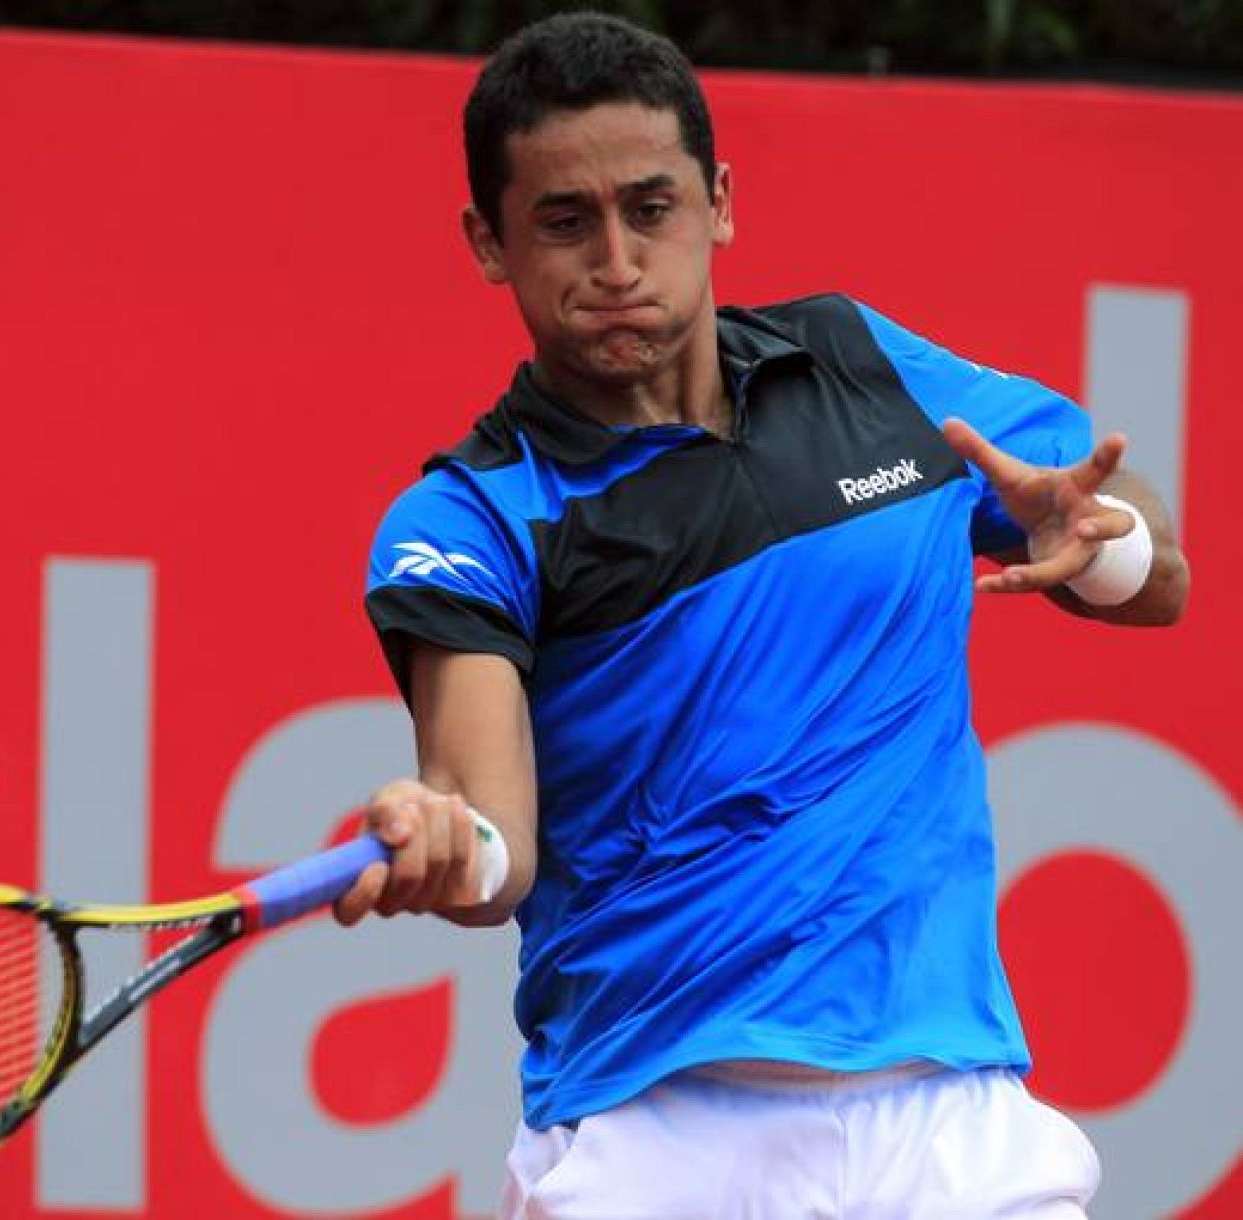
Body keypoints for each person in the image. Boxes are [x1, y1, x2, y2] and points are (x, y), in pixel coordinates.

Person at [336, 13, 1191, 1218]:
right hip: (653, 1140)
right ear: (489, 241)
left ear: (719, 202)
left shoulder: (859, 365)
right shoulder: (474, 515)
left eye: (653, 207)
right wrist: (445, 835)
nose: (619, 260)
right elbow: (494, 847)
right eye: (564, 222)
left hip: (952, 1128)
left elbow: (1163, 580)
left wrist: (1099, 543)